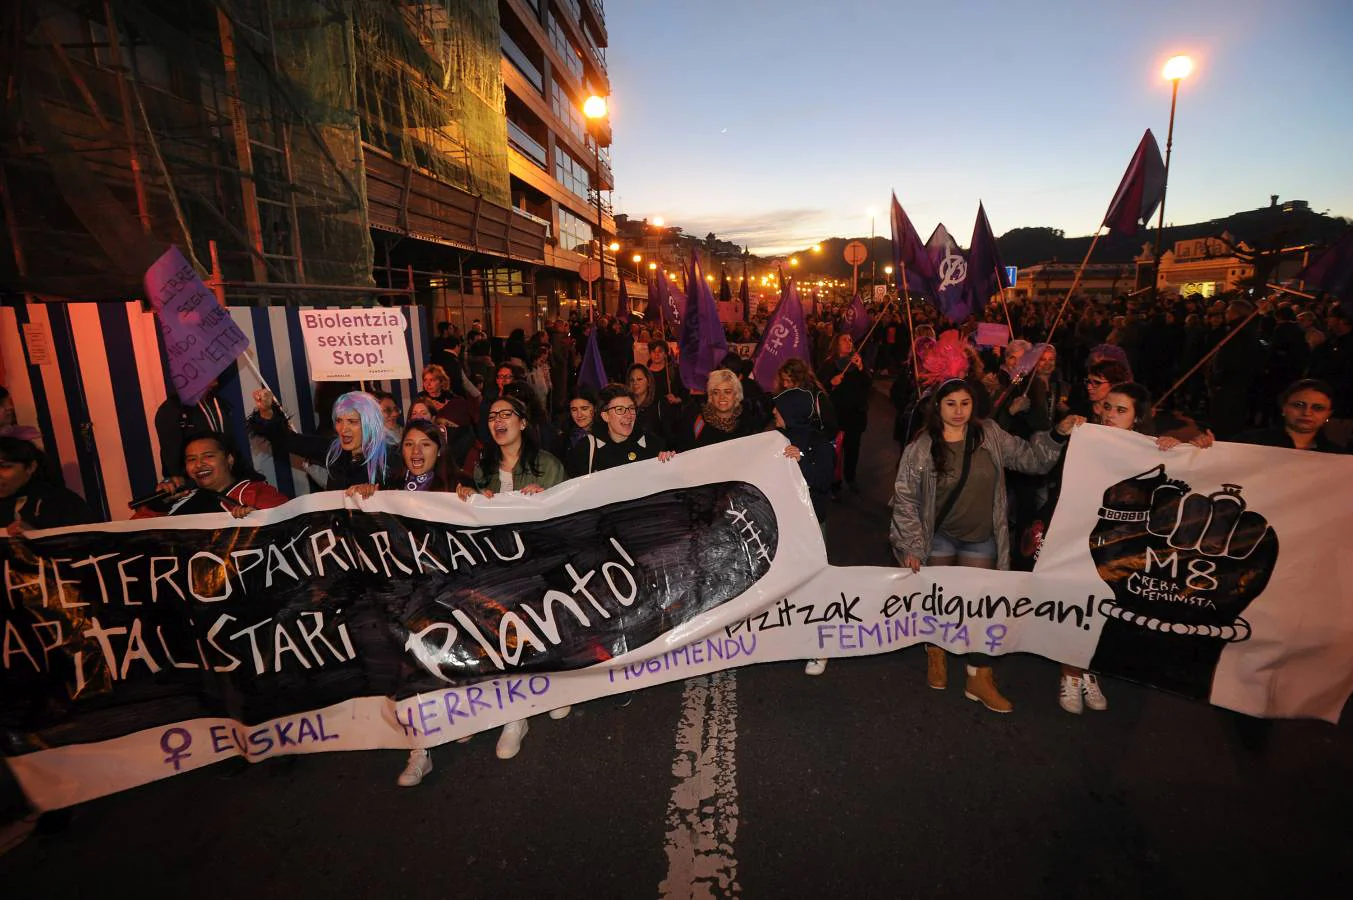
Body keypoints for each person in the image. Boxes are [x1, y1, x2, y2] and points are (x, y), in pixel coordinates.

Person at [890, 378, 1079, 713]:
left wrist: (1058, 435)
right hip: (938, 539)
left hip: (983, 539)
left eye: (965, 403)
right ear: (938, 407)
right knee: (939, 602)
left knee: (981, 608)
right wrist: (911, 545)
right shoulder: (921, 447)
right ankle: (936, 651)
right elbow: (905, 499)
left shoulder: (989, 434)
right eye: (951, 404)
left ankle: (979, 676)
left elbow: (1032, 459)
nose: (959, 411)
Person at [343, 420, 458, 786]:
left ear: (439, 451)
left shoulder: (455, 488)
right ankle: (421, 751)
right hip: (405, 600)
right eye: (409, 444)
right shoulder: (386, 492)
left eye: (426, 444)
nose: (417, 452)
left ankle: (488, 717)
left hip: (450, 595)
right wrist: (364, 498)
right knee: (410, 668)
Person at [457, 395, 569, 759]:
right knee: (502, 633)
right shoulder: (483, 468)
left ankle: (549, 690)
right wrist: (471, 497)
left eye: (506, 414)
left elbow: (568, 517)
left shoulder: (548, 464)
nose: (498, 420)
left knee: (539, 626)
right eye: (492, 416)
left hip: (538, 563)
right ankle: (515, 713)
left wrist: (546, 499)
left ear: (522, 423)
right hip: (498, 565)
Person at [250, 389, 396, 490]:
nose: (343, 429)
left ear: (369, 424)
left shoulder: (390, 456)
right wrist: (267, 411)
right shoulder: (333, 450)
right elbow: (287, 440)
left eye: (352, 421)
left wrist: (373, 493)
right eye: (339, 421)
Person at [133, 432, 289, 518]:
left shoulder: (256, 493)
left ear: (229, 459)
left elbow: (293, 527)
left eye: (208, 456)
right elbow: (129, 540)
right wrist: (159, 505)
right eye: (191, 459)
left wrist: (259, 520)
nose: (199, 464)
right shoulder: (180, 499)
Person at [568, 384, 674, 475]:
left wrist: (669, 465)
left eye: (631, 408)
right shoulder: (587, 449)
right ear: (605, 416)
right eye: (620, 410)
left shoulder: (653, 444)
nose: (628, 415)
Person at [0, 437, 96, 533]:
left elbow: (86, 543)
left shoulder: (62, 502)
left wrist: (36, 537)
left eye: (4, 467)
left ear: (31, 467)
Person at [1236, 379, 1346, 453]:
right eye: (1299, 405)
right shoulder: (1249, 442)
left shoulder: (1337, 455)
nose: (1307, 413)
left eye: (1318, 408)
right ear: (1283, 408)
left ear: (1328, 414)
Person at [674, 369, 760, 451]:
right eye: (716, 392)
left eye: (727, 392)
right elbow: (682, 453)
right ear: (711, 396)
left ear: (736, 395)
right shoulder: (695, 420)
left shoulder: (748, 421)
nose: (721, 396)